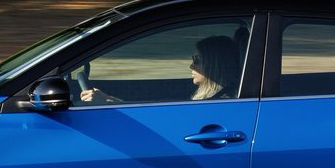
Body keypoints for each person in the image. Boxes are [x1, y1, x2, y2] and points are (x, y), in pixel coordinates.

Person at [81, 35, 242, 104]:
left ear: (214, 65)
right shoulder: (211, 99)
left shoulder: (219, 103)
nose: (191, 66)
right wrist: (109, 100)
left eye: (197, 60)